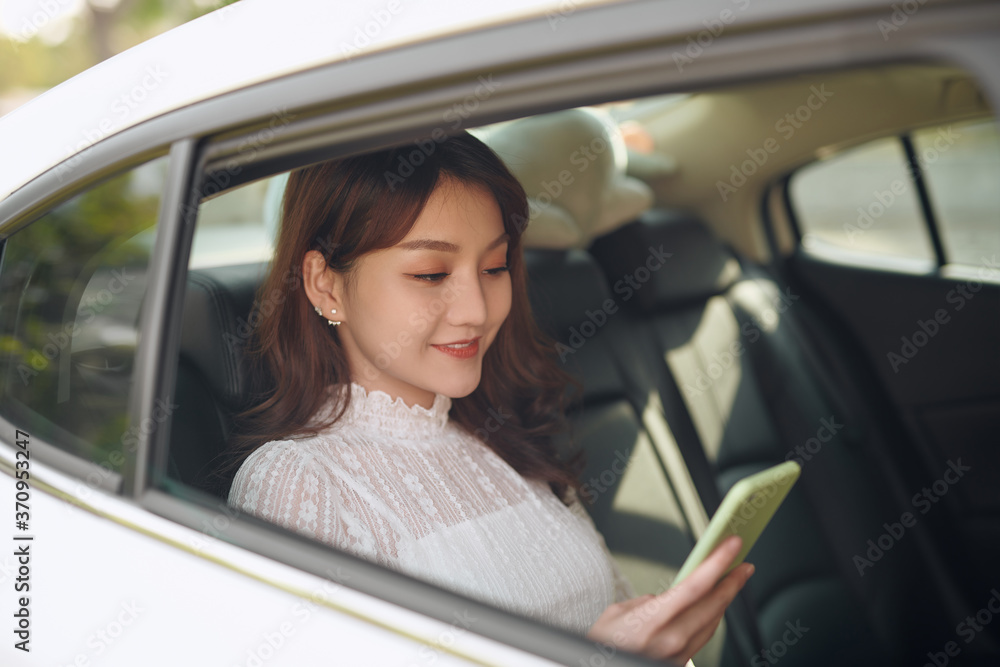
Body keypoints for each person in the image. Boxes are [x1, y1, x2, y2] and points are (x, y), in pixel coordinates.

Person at [222, 131, 753, 665]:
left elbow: (612, 613)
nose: (476, 308)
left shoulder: (501, 431)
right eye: (431, 274)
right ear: (325, 285)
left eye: (494, 267)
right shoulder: (296, 486)